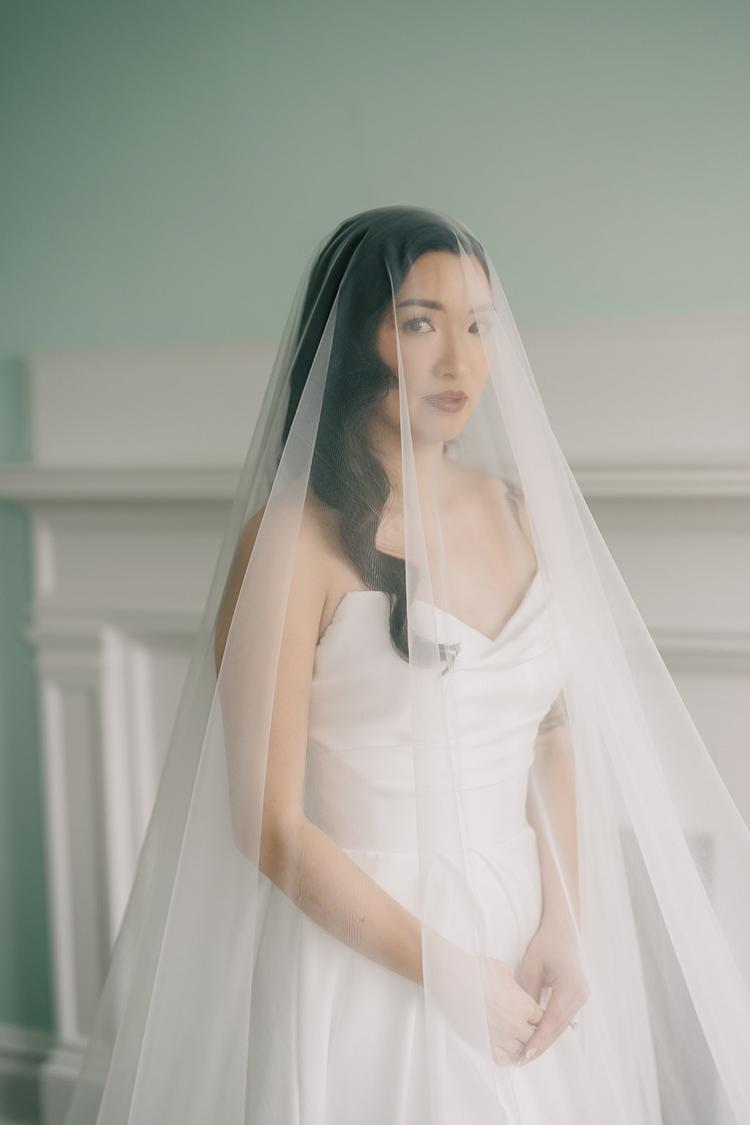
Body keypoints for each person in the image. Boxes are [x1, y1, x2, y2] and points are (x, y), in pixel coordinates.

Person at [62, 206, 750, 1125]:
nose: (460, 363)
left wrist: (565, 923)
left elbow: (547, 733)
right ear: (354, 341)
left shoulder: (516, 508)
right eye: (421, 322)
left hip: (521, 933)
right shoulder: (291, 543)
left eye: (479, 324)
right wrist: (443, 970)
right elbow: (266, 822)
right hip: (366, 949)